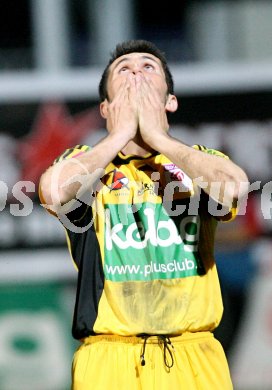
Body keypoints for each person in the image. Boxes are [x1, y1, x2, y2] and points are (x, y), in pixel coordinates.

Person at [39, 40, 249, 390]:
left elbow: (235, 188)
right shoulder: (86, 165)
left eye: (148, 66)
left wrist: (158, 138)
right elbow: (52, 192)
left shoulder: (198, 159)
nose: (136, 71)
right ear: (106, 108)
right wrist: (120, 134)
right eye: (124, 69)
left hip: (193, 352)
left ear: (170, 101)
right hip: (109, 358)